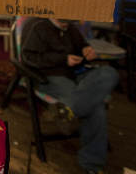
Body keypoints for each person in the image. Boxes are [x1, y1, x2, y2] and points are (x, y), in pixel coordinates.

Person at [21, 17, 119, 174]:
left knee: (110, 73)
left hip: (77, 76)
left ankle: (69, 109)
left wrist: (87, 50)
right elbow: (28, 58)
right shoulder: (38, 27)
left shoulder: (72, 29)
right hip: (51, 77)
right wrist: (63, 59)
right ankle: (92, 165)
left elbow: (82, 47)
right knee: (96, 107)